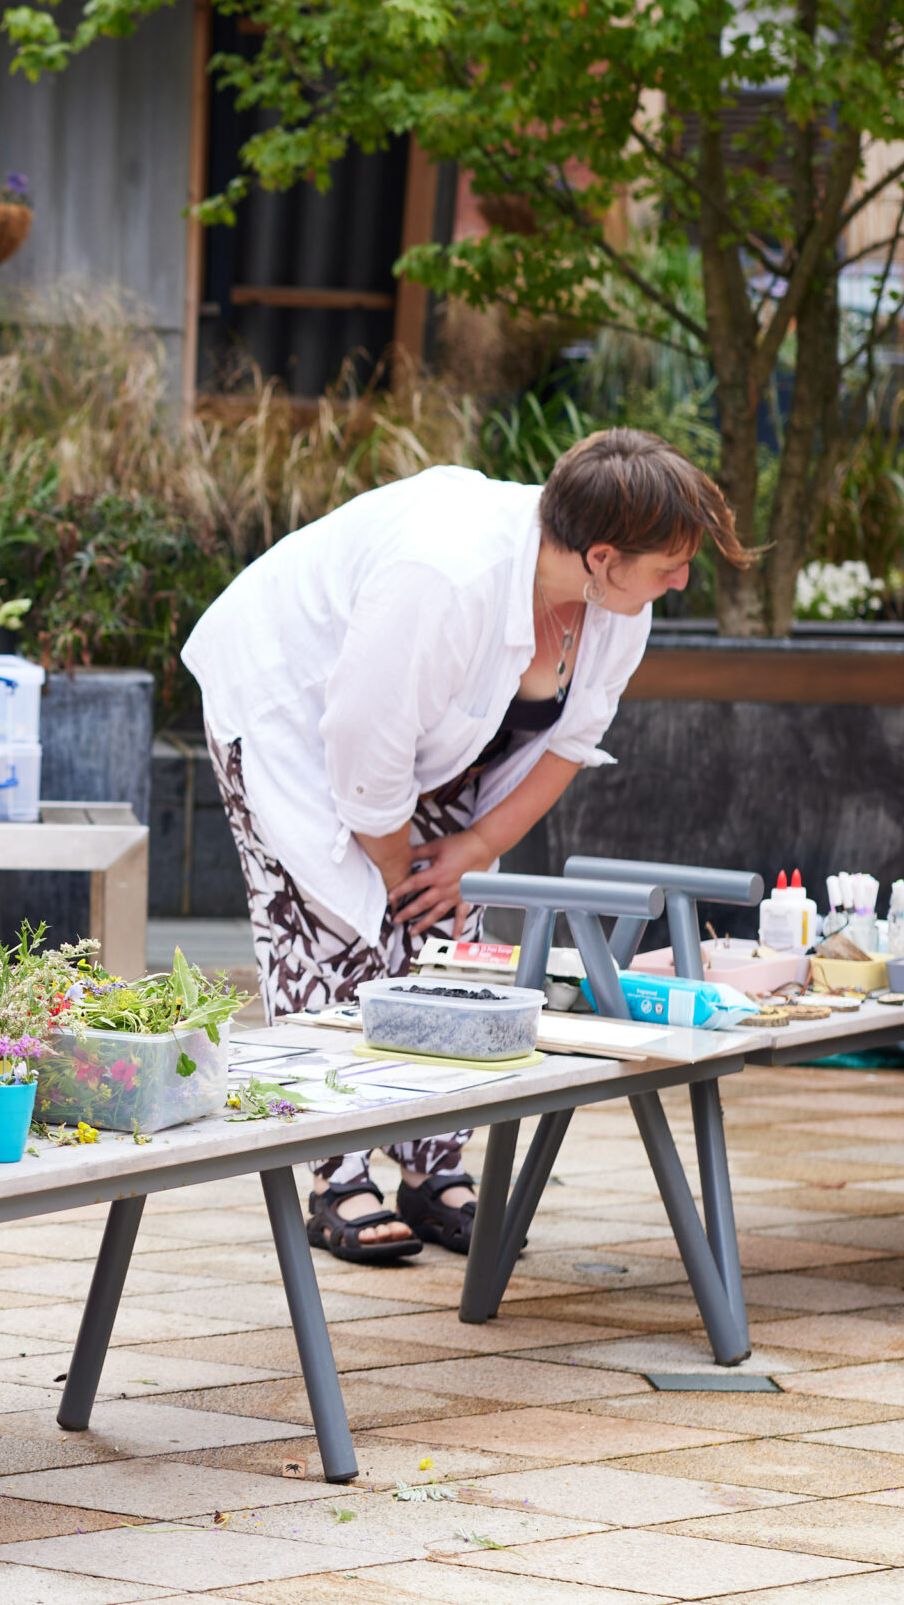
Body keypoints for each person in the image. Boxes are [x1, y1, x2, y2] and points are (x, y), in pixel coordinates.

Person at [183, 433, 750, 1263]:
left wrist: (474, 848)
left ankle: (430, 1167)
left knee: (447, 940)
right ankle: (335, 1175)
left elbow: (573, 738)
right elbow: (362, 741)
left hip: (436, 737)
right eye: (669, 563)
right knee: (334, 934)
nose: (682, 580)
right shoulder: (445, 577)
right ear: (600, 555)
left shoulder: (619, 606)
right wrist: (395, 868)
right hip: (294, 713)